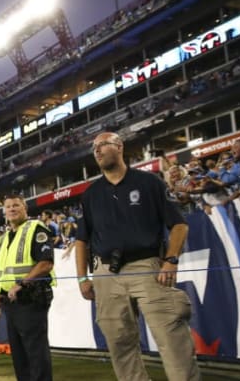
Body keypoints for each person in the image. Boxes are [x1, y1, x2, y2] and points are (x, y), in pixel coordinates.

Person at [74, 132, 200, 381]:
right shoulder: (91, 194)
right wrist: (82, 278)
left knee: (171, 336)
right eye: (94, 148)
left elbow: (179, 225)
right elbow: (81, 240)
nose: (97, 151)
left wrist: (171, 260)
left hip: (147, 266)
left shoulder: (149, 182)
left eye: (103, 145)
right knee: (119, 344)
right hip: (106, 273)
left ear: (119, 146)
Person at [0, 194, 55, 381]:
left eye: (16, 205)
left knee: (35, 352)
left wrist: (21, 284)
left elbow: (46, 264)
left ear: (25, 208)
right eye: (8, 206)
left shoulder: (36, 228)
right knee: (19, 355)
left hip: (31, 298)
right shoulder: (2, 239)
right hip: (9, 302)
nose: (11, 209)